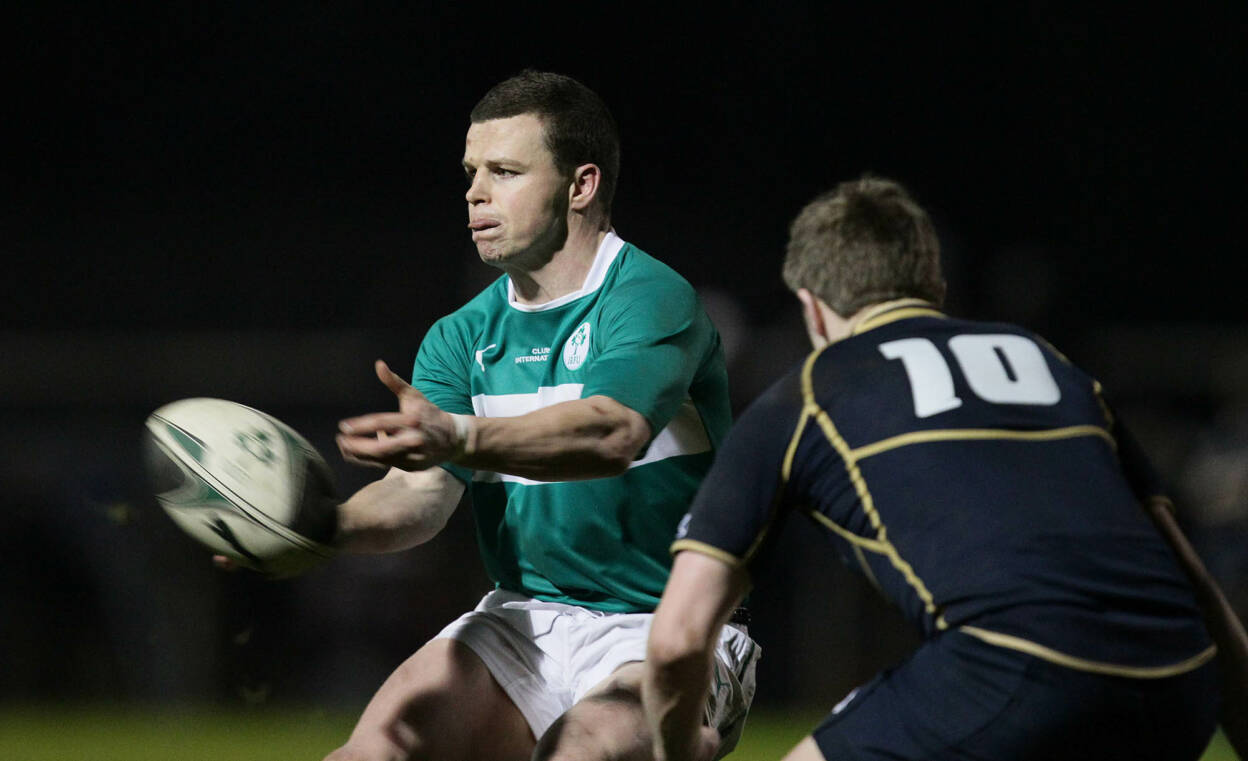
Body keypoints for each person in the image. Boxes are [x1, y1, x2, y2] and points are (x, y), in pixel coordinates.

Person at [641, 176, 1223, 761]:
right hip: (1183, 681)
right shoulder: (1051, 364)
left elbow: (675, 641)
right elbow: (1203, 595)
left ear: (811, 310)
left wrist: (678, 750)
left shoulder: (812, 391)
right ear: (934, 288)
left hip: (1020, 672)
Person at [321, 70, 759, 761]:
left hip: (665, 628)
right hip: (522, 619)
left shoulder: (649, 297)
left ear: (581, 185)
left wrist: (461, 436)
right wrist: (325, 524)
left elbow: (611, 430)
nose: (474, 191)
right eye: (471, 171)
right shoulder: (460, 336)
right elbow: (423, 493)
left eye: (504, 170)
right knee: (370, 751)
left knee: (580, 750)